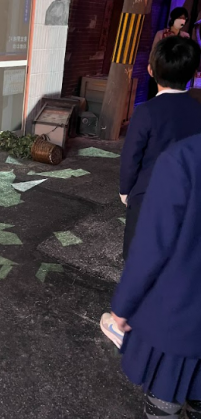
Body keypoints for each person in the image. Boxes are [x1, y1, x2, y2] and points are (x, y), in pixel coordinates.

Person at [100, 36, 201, 348]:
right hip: (189, 198)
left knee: (139, 256)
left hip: (147, 197)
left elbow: (131, 157)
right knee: (174, 259)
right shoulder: (197, 110)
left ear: (150, 70)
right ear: (194, 73)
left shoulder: (146, 112)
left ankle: (126, 324)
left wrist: (125, 191)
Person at [110, 134, 201, 418]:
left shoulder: (184, 158)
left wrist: (123, 306)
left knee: (165, 399)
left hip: (180, 319)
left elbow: (152, 245)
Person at [148, 7, 190, 99]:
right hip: (160, 69)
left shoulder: (185, 36)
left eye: (184, 18)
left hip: (176, 71)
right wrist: (152, 66)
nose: (182, 20)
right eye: (180, 17)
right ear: (173, 18)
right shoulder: (161, 34)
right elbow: (154, 51)